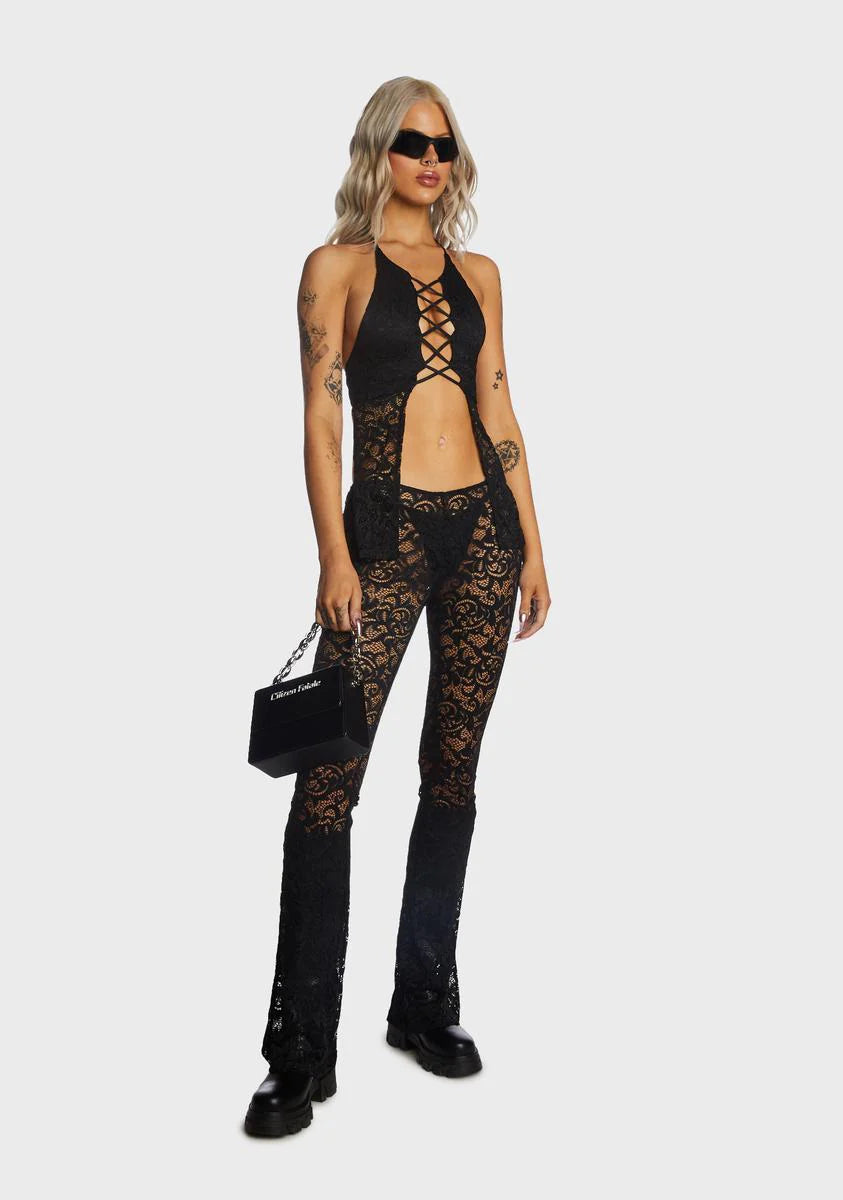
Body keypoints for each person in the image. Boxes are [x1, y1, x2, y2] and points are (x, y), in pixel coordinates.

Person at [244, 76, 551, 1138]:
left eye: (447, 147)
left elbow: (499, 403)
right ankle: (298, 1051)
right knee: (327, 787)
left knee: (452, 774)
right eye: (415, 142)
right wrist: (331, 552)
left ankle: (423, 1002)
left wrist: (534, 543)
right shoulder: (333, 268)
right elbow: (320, 417)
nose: (433, 161)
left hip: (483, 537)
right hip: (382, 535)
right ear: (379, 147)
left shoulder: (481, 274)